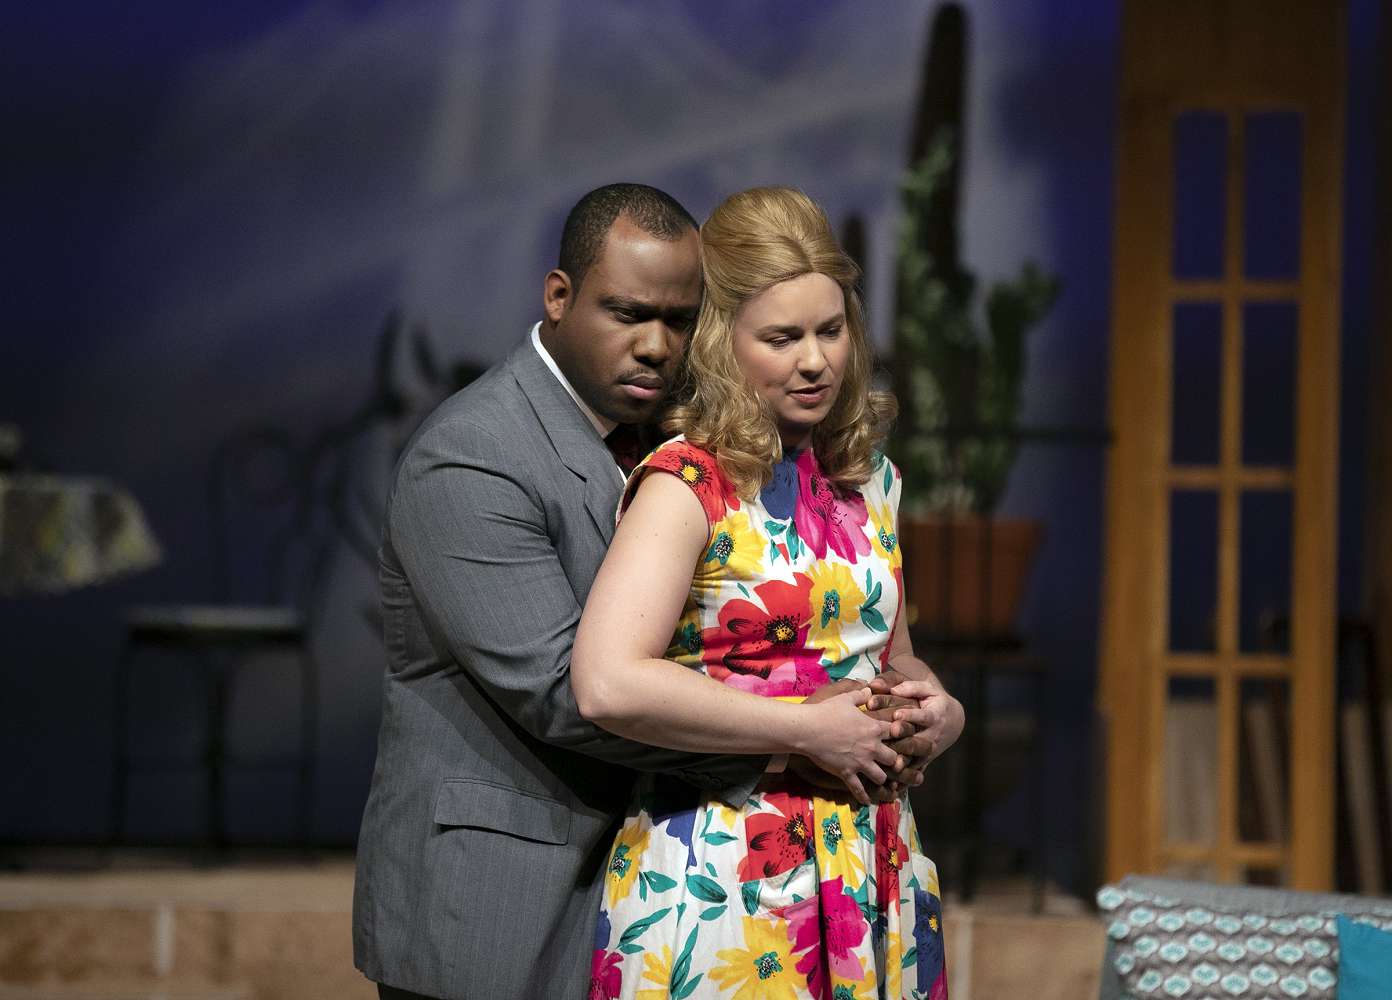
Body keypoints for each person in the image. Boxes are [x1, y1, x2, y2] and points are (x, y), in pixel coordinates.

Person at [351, 183, 936, 1000]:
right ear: (559, 297)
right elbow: (565, 692)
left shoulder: (681, 436)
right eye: (628, 314)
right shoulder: (475, 456)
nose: (658, 346)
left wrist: (907, 713)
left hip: (651, 875)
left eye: (679, 319)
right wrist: (801, 734)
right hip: (502, 894)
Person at [573, 186, 963, 1000]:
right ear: (721, 343)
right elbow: (608, 682)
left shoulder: (868, 479)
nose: (814, 360)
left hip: (869, 865)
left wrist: (936, 712)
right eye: (782, 338)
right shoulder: (688, 483)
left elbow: (891, 657)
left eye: (831, 330)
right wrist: (806, 731)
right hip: (725, 872)